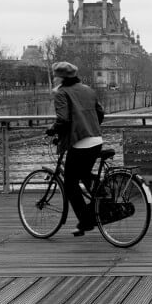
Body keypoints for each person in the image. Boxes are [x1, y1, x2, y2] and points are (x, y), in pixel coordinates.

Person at [46, 61, 105, 236]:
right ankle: (103, 195)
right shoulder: (88, 89)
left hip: (80, 142)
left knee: (70, 184)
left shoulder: (62, 93)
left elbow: (63, 119)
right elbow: (100, 113)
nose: (54, 79)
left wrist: (52, 130)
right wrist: (90, 126)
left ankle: (86, 221)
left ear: (61, 77)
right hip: (96, 139)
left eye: (55, 76)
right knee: (84, 174)